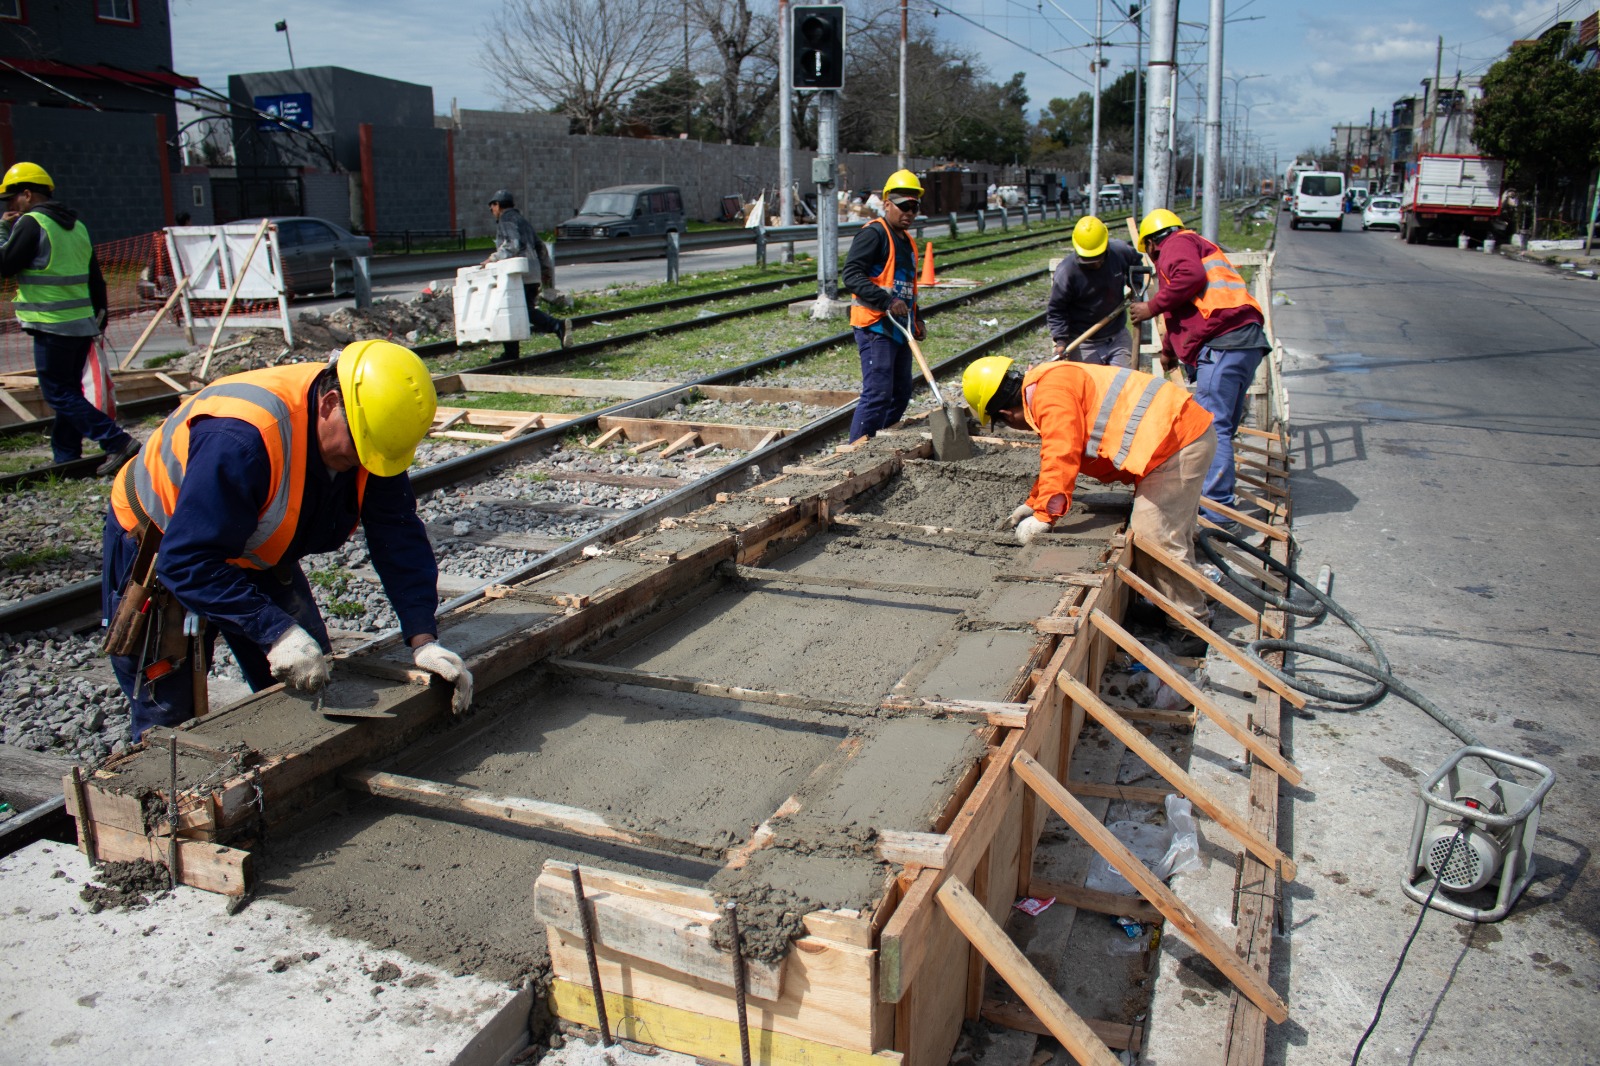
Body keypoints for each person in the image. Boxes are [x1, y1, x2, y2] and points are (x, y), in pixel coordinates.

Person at [101, 340, 473, 742]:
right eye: (359, 453)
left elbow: (397, 533)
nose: (365, 465)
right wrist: (275, 632)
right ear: (330, 404)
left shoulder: (371, 436)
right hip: (165, 546)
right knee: (169, 714)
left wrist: (423, 640)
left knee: (312, 686)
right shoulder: (243, 440)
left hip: (256, 544)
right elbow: (186, 561)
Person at [963, 355, 1216, 653]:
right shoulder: (1047, 383)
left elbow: (1062, 451)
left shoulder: (1049, 395)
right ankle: (1176, 603)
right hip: (1170, 437)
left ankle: (1191, 628)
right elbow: (1057, 456)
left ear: (1006, 413)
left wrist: (1045, 516)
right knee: (1167, 533)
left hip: (1176, 443)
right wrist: (1033, 502)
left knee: (1154, 537)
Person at [1128, 208, 1270, 530]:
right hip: (1245, 341)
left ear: (1151, 243)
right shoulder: (1198, 245)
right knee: (1225, 426)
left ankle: (1218, 514)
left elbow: (1189, 279)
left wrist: (1149, 307)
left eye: (1148, 251)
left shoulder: (1175, 245)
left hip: (1224, 343)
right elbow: (1183, 309)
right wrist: (1169, 353)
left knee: (1212, 428)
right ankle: (1218, 498)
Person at [0, 161, 139, 475]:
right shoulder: (76, 225)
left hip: (51, 324)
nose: (9, 206)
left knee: (58, 393)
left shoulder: (32, 223)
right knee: (69, 391)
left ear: (27, 194)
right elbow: (95, 277)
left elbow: (5, 264)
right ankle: (66, 456)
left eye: (11, 199)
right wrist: (99, 318)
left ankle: (116, 441)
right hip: (80, 323)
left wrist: (3, 228)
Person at [843, 169, 925, 443]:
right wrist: (888, 301)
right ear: (887, 203)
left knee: (900, 392)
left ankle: (880, 442)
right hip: (875, 324)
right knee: (877, 393)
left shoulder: (908, 242)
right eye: (904, 207)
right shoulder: (874, 234)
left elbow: (907, 287)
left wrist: (917, 319)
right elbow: (851, 275)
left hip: (900, 327)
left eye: (914, 207)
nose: (910, 213)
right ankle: (856, 450)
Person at [483, 189, 572, 358]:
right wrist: (545, 270)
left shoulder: (506, 220)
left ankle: (557, 326)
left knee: (512, 310)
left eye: (492, 207)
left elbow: (512, 245)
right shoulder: (522, 221)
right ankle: (511, 352)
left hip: (518, 275)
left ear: (498, 205)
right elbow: (540, 246)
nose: (492, 212)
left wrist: (492, 258)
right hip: (532, 272)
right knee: (516, 309)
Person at [1046, 215, 1143, 367]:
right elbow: (1057, 309)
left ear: (1106, 247)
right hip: (1083, 340)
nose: (1096, 265)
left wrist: (1135, 285)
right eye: (1089, 262)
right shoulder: (1067, 272)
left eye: (1099, 259)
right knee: (1092, 387)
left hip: (1117, 335)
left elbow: (1137, 262)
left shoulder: (1120, 252)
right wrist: (1061, 340)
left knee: (1122, 384)